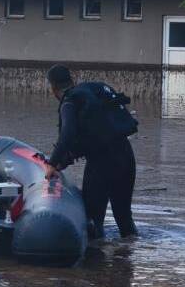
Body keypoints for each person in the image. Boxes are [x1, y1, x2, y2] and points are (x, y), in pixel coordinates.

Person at [44, 65, 139, 239]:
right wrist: (63, 161)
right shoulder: (94, 91)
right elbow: (92, 136)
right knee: (124, 216)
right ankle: (129, 254)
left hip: (101, 163)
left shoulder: (69, 102)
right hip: (126, 156)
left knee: (93, 220)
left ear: (53, 88)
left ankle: (95, 256)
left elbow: (68, 134)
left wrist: (52, 164)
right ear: (72, 80)